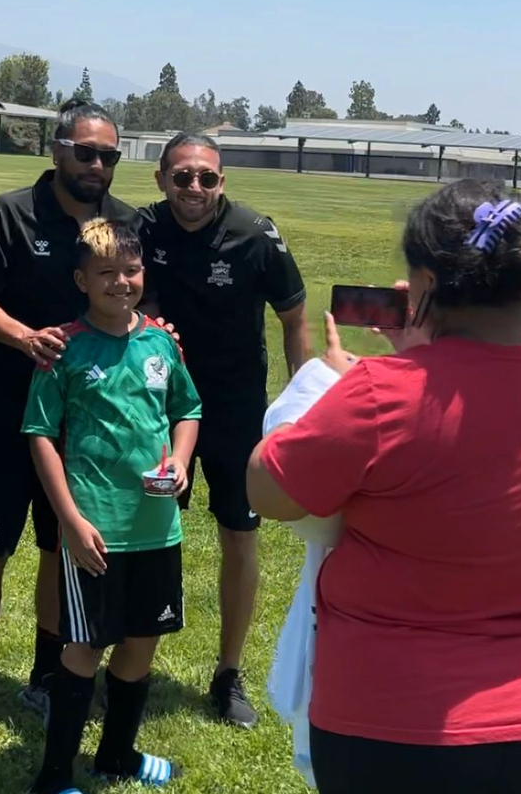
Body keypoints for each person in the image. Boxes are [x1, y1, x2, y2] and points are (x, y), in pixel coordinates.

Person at [247, 179, 521, 794]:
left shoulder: (377, 395)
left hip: (389, 724)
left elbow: (269, 489)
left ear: (425, 284)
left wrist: (328, 389)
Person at [0, 99, 136, 751]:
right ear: (56, 150)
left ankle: (45, 676)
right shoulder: (13, 215)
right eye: (84, 151)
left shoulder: (125, 223)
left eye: (107, 155)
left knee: (63, 552)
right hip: (5, 413)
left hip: (85, 431)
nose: (96, 164)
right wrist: (23, 338)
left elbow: (143, 306)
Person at [22, 218, 201, 794]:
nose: (121, 282)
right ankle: (54, 776)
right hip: (95, 531)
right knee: (85, 646)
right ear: (81, 279)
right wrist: (70, 522)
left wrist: (179, 459)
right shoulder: (64, 348)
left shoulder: (161, 342)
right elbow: (40, 434)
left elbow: (187, 410)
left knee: (141, 644)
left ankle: (117, 756)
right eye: (106, 273)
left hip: (157, 528)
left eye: (131, 270)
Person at [138, 132, 308, 728]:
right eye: (182, 176)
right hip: (157, 413)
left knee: (240, 535)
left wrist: (298, 402)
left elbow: (293, 318)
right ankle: (135, 659)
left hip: (236, 413)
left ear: (222, 182)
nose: (194, 188)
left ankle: (228, 673)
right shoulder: (139, 229)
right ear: (161, 178)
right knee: (153, 530)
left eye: (206, 177)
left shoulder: (256, 234)